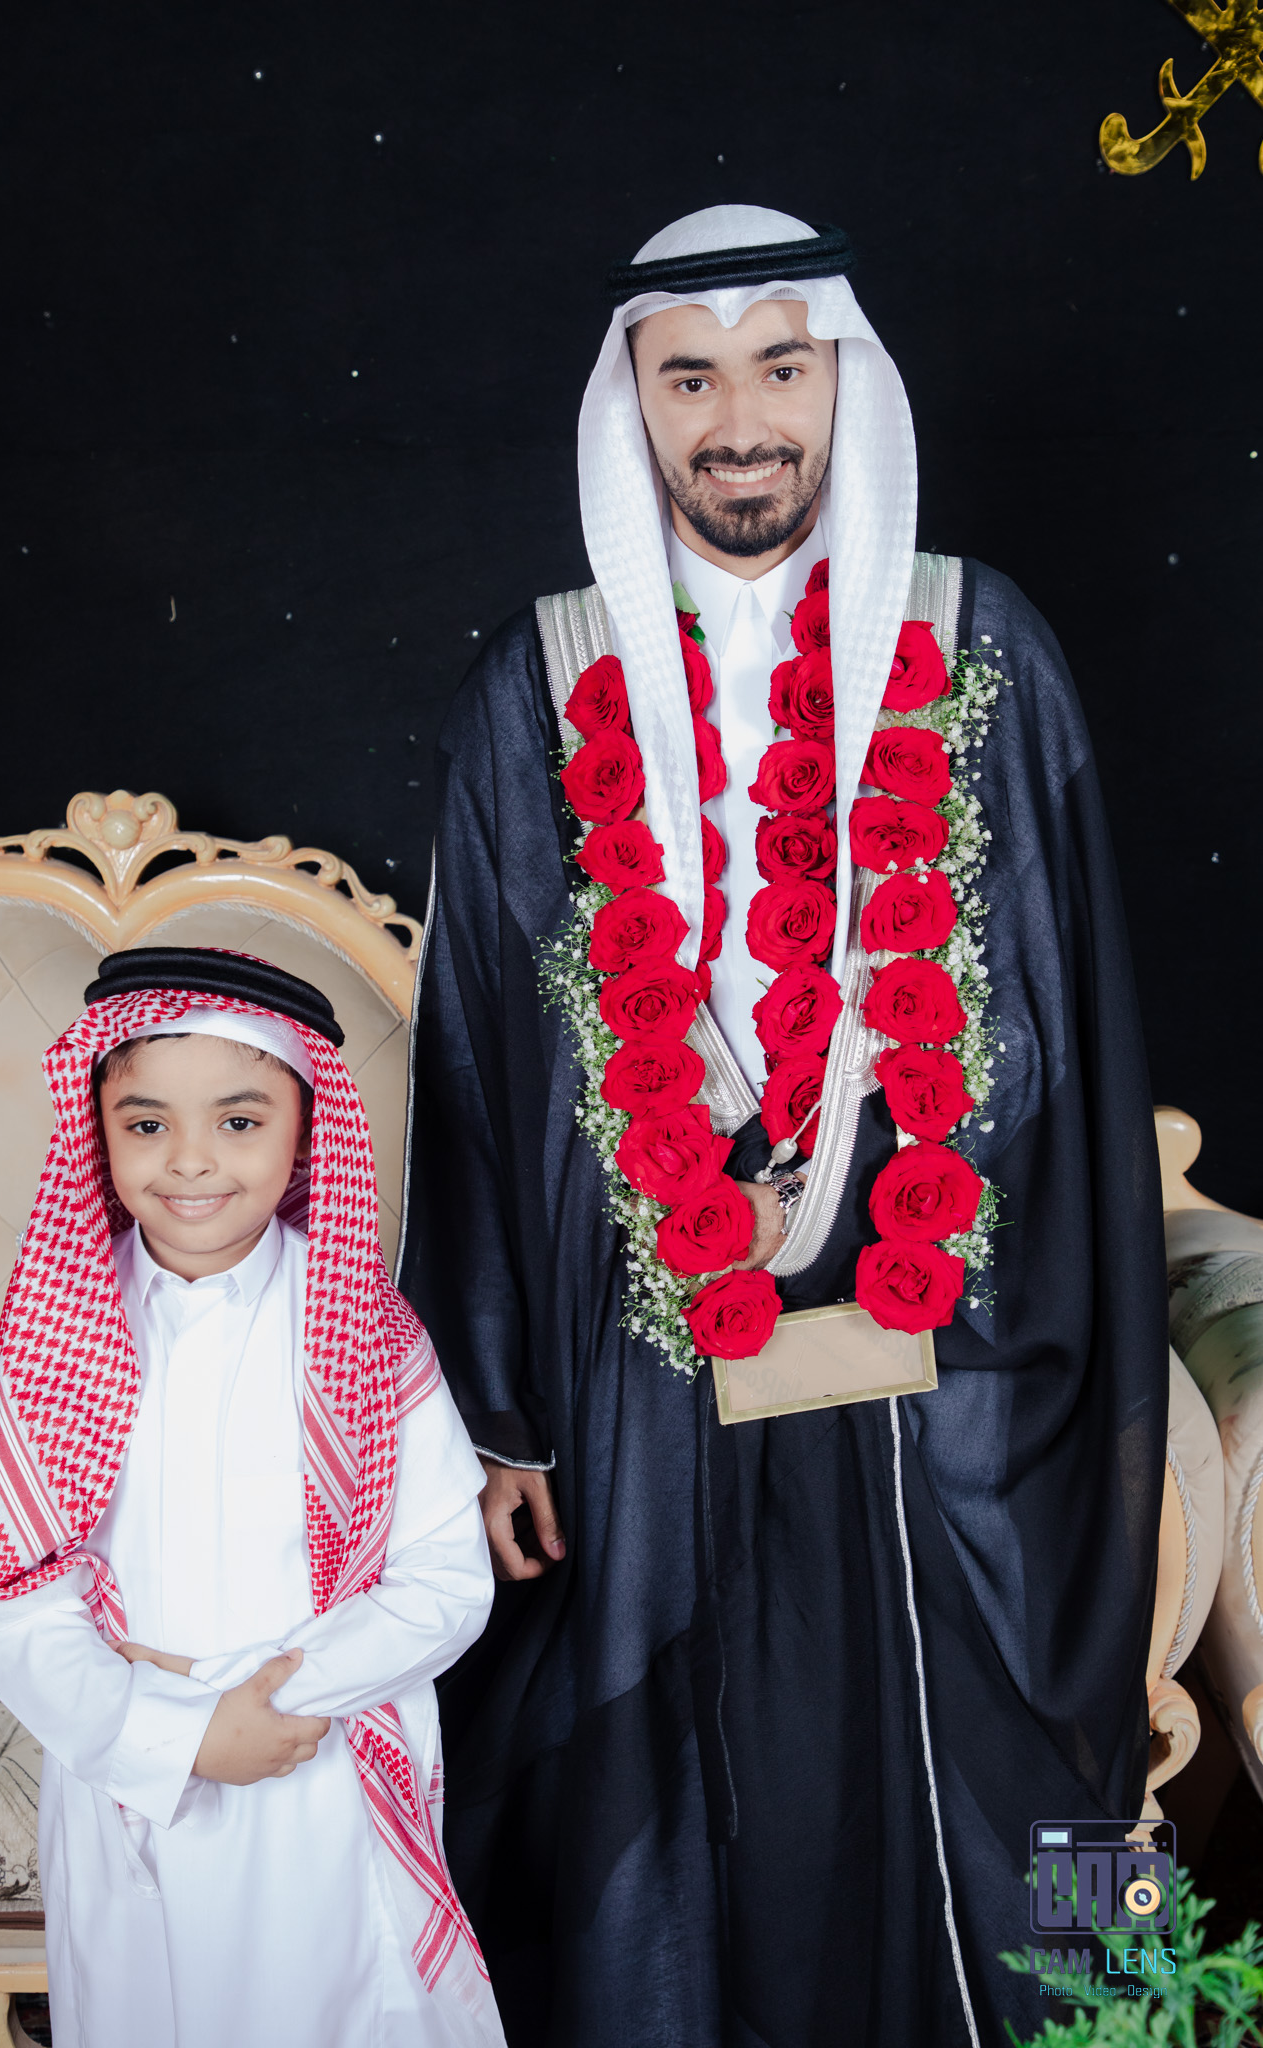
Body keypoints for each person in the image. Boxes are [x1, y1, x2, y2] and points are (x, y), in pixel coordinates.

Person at [396, 207, 1168, 2046]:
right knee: (674, 1770)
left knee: (984, 1758)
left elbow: (1068, 1007)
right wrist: (497, 1413)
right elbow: (477, 1063)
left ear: (844, 381)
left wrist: (939, 1219)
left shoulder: (981, 647)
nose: (740, 421)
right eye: (690, 378)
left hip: (944, 1325)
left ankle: (1097, 2019)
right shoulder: (535, 684)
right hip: (639, 1348)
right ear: (634, 406)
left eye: (779, 367)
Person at [0, 946, 507, 2048]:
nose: (190, 1159)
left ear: (305, 1132)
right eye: (146, 1123)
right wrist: (170, 1733)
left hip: (315, 1768)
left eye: (238, 1120)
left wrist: (264, 1711)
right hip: (120, 1765)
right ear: (99, 1131)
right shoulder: (50, 1337)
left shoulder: (369, 1339)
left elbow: (443, 1582)